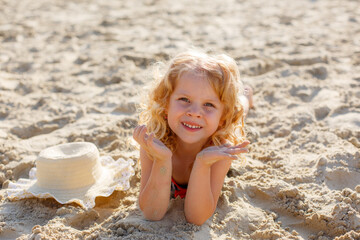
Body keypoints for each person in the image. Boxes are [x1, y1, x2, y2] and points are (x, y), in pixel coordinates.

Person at [133, 49, 253, 226]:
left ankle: (246, 98)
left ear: (223, 118)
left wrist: (203, 163)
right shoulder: (155, 139)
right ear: (166, 103)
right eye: (184, 99)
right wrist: (162, 159)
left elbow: (197, 218)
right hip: (164, 147)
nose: (195, 113)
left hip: (223, 127)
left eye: (208, 104)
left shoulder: (221, 146)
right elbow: (152, 213)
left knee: (241, 107)